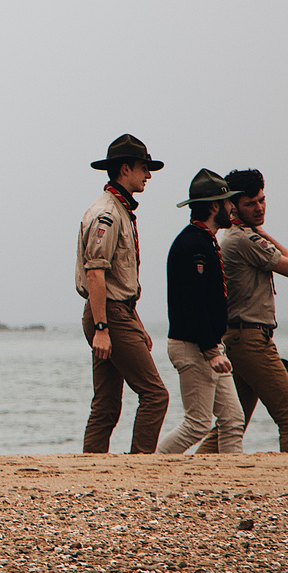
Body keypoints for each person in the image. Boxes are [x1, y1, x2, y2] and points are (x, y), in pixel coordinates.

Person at [196, 168, 288, 453]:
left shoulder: (241, 237)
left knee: (232, 424)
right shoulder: (244, 240)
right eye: (250, 203)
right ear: (233, 205)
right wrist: (261, 232)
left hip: (242, 339)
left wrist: (257, 230)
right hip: (251, 340)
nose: (259, 208)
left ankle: (194, 471)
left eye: (262, 200)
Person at [77, 134, 169, 453]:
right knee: (155, 395)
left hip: (116, 311)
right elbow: (95, 273)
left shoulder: (120, 210)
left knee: (105, 406)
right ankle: (139, 467)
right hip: (109, 314)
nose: (148, 175)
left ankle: (92, 470)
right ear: (125, 169)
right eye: (144, 167)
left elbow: (118, 280)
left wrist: (137, 323)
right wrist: (103, 328)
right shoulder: (108, 214)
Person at [157, 169, 246, 453]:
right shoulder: (193, 244)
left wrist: (213, 347)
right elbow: (192, 304)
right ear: (213, 206)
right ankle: (151, 466)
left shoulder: (204, 241)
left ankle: (232, 480)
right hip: (193, 346)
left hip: (207, 345)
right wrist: (211, 350)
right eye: (228, 201)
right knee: (197, 423)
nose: (233, 207)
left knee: (233, 419)